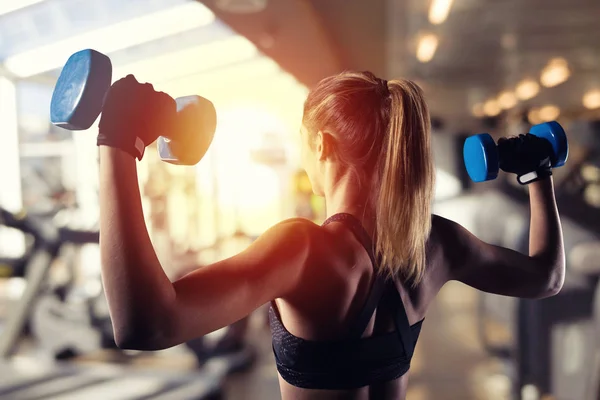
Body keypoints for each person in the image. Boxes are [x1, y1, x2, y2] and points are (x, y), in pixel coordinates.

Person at [95, 72, 565, 399]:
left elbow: (146, 325)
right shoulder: (438, 243)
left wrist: (118, 143)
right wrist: (536, 174)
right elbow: (545, 278)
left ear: (322, 144)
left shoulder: (302, 250)